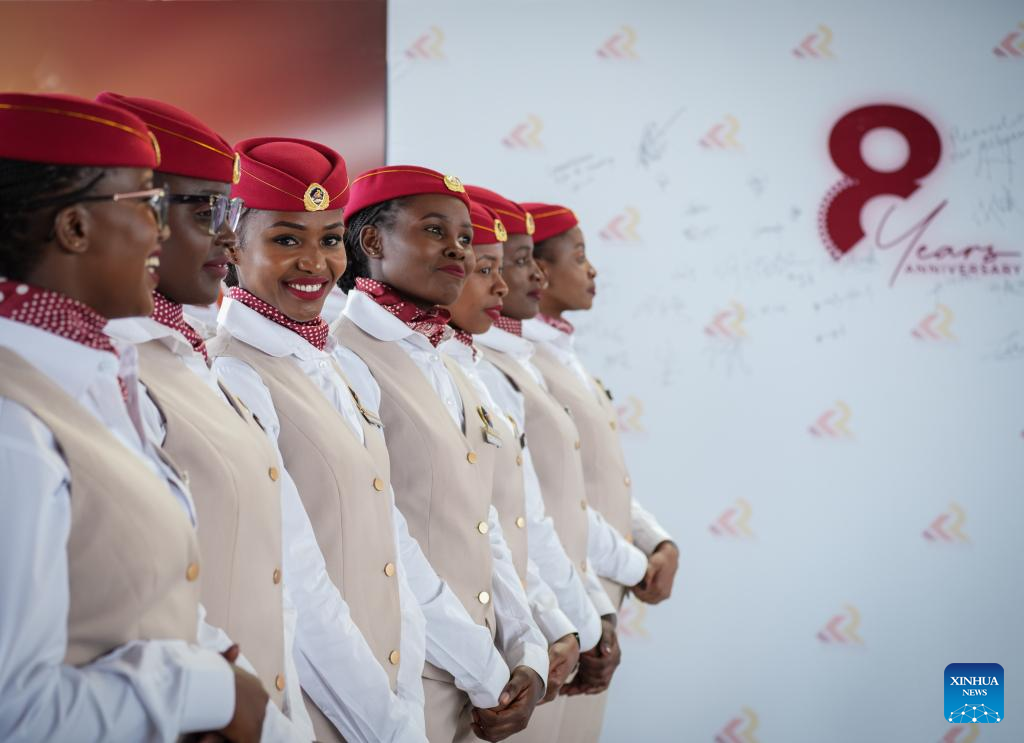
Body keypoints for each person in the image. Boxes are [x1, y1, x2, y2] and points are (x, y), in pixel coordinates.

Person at [210, 140, 516, 743]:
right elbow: (298, 581)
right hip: (321, 705)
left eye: (329, 240)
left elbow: (393, 545)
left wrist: (447, 687)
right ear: (233, 247)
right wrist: (391, 724)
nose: (315, 262)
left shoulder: (338, 367)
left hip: (393, 696)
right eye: (286, 239)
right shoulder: (231, 371)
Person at [0, 91, 271, 742]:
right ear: (74, 228)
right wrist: (210, 692)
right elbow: (16, 712)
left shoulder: (94, 368)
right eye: (150, 206)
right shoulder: (13, 422)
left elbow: (155, 599)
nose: (162, 231)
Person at [98, 92, 316, 738]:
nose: (225, 233)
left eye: (230, 211)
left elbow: (283, 574)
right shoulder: (109, 367)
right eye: (204, 211)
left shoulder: (191, 353)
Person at [334, 166, 549, 742]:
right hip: (411, 675)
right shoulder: (341, 357)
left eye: (464, 237)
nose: (458, 249)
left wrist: (527, 648)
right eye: (435, 230)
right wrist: (486, 669)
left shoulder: (447, 360)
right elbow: (388, 542)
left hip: (483, 678)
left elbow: (485, 522)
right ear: (372, 241)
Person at [522, 202, 680, 743]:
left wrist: (655, 540)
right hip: (558, 602)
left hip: (595, 599)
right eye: (579, 256)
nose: (592, 270)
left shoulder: (563, 356)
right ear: (537, 269)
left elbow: (595, 478)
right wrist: (638, 565)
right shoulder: (523, 363)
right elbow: (546, 504)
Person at [440, 198, 587, 743]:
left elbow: (513, 520)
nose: (508, 283)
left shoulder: (475, 367)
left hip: (508, 647)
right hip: (454, 659)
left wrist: (555, 626)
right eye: (488, 267)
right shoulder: (373, 363)